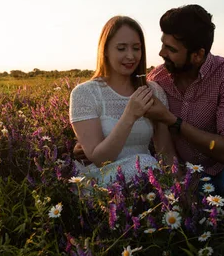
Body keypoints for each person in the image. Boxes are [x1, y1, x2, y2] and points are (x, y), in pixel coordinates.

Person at [143, 4, 224, 204]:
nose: (161, 52)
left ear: (197, 55)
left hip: (220, 172)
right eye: (163, 44)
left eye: (171, 49)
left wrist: (174, 122)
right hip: (175, 172)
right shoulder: (158, 78)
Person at [69, 16, 176, 185]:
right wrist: (130, 115)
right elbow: (99, 159)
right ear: (105, 50)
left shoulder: (154, 91)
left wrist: (177, 187)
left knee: (149, 166)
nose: (130, 56)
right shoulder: (85, 93)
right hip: (101, 181)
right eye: (121, 48)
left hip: (145, 178)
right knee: (146, 163)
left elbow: (165, 152)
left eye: (136, 48)